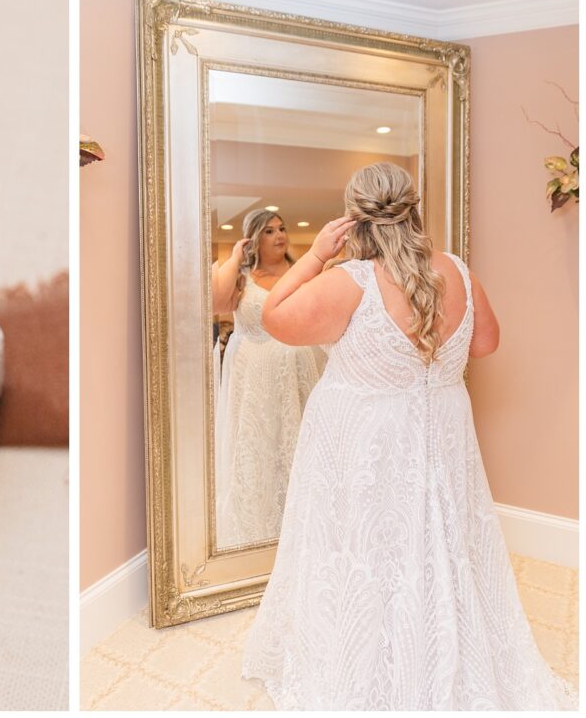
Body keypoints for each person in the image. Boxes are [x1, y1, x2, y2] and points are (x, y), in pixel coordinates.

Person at [239, 162, 576, 709]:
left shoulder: (347, 282)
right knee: (439, 539)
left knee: (367, 548)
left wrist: (320, 253)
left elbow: (272, 317)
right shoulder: (458, 272)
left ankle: (377, 672)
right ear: (412, 210)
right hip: (440, 431)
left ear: (356, 219)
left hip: (367, 441)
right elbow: (485, 343)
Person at [211, 208, 326, 549]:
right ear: (254, 238)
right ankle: (258, 528)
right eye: (269, 231)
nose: (279, 236)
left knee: (294, 442)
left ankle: (301, 527)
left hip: (297, 372)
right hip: (254, 376)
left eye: (282, 228)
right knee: (258, 446)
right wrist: (235, 255)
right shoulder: (241, 277)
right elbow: (216, 302)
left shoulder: (303, 273)